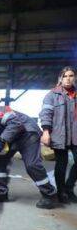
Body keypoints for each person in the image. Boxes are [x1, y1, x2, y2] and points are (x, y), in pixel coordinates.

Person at [40, 66, 77, 203]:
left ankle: (69, 188)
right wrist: (45, 132)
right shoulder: (52, 95)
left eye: (71, 75)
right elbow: (46, 114)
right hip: (59, 135)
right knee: (62, 163)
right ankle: (61, 192)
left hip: (75, 135)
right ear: (60, 78)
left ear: (75, 78)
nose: (68, 79)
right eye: (65, 76)